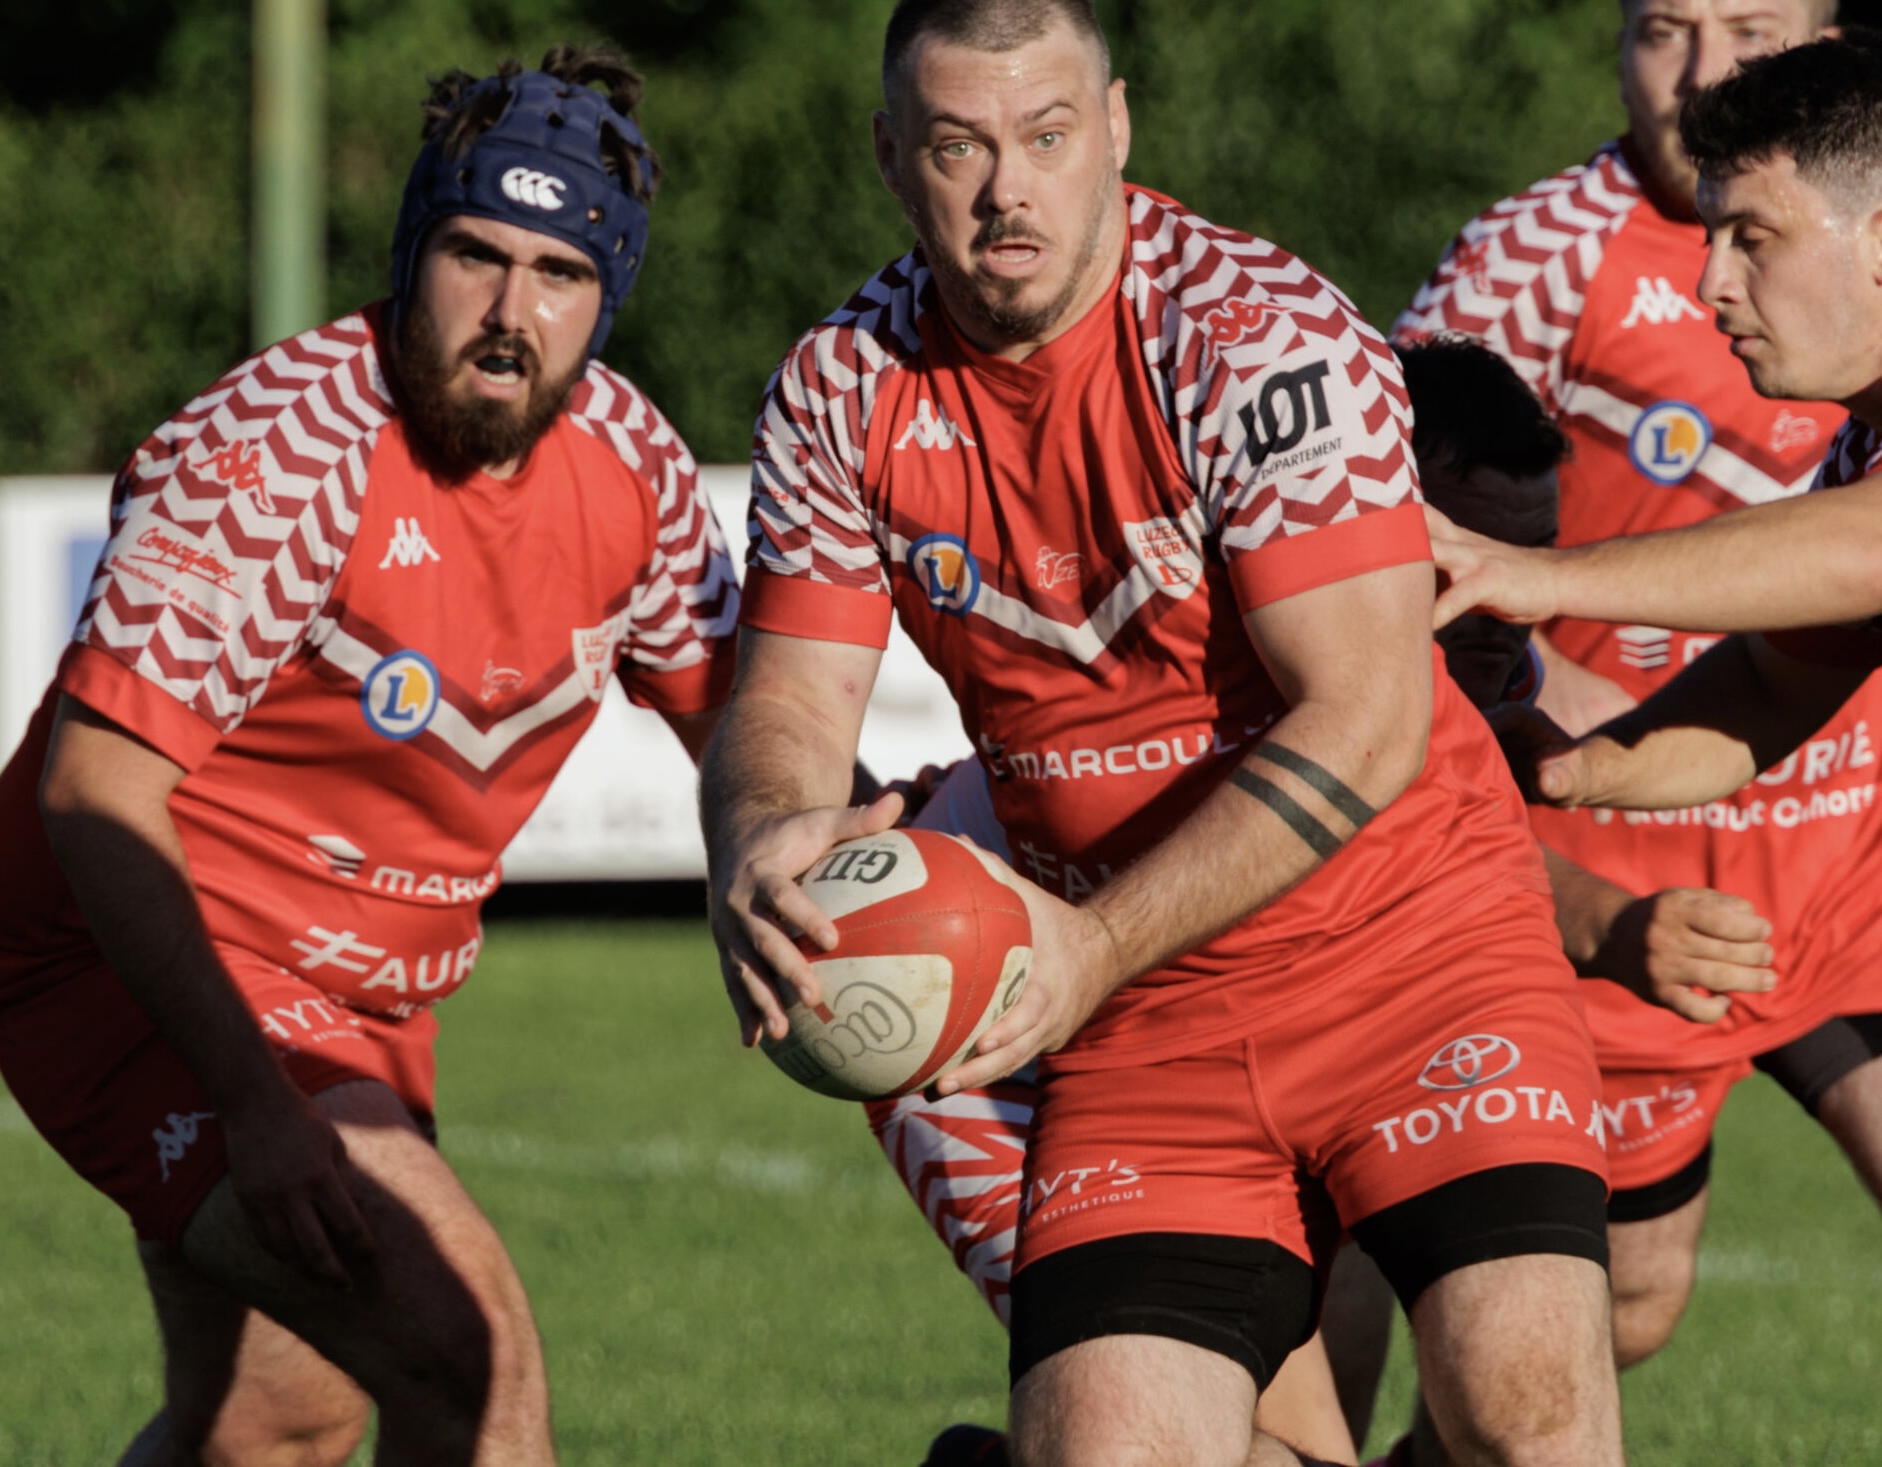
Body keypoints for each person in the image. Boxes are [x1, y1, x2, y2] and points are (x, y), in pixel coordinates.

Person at [703, 5, 1623, 1465]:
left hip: (1413, 955)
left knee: (1528, 1414)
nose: (1008, 190)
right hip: (1145, 1017)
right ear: (890, 155)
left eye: (1047, 136)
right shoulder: (840, 386)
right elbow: (792, 702)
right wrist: (760, 840)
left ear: (1117, 128)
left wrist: (1090, 946)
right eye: (959, 147)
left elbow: (1370, 717)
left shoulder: (1257, 335)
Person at [0, 44, 738, 1465]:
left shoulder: (632, 465)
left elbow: (752, 733)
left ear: (610, 295)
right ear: (411, 249)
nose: (511, 314)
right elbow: (93, 792)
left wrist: (839, 870)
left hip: (356, 994)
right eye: (475, 255)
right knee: (472, 1362)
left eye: (560, 273)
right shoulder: (277, 454)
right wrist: (254, 1104)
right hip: (133, 954)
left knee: (276, 1421)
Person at [880, 337, 1775, 1466]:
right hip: (995, 1040)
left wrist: (1620, 770)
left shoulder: (1490, 648)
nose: (1496, 601)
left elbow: (1517, 802)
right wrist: (1608, 919)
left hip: (1294, 1019)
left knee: (1515, 1387)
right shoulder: (1272, 656)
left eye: (1526, 557)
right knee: (1254, 1439)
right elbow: (1311, 842)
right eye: (1452, 554)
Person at [1392, 0, 1882, 1384]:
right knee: (1608, 1310)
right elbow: (1772, 688)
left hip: (1837, 874)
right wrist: (1578, 765)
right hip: (1674, 891)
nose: (1712, 282)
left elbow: (1862, 551)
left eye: (1754, 240)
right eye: (1710, 237)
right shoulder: (1855, 442)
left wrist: (1539, 576)